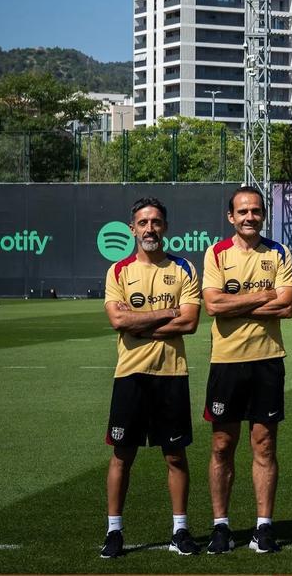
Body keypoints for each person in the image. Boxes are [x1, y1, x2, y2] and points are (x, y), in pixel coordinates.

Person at [100, 198, 202, 558]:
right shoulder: (118, 271)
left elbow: (189, 322)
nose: (149, 229)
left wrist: (140, 324)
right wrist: (167, 312)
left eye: (156, 222)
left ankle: (180, 531)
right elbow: (118, 320)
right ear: (132, 229)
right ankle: (114, 531)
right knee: (122, 456)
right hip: (130, 374)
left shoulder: (184, 268)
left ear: (165, 227)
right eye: (143, 223)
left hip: (171, 374)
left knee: (175, 456)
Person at [201, 186, 292, 554]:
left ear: (263, 215)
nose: (249, 217)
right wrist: (263, 295)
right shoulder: (217, 253)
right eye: (242, 212)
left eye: (255, 211)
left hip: (267, 360)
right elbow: (213, 305)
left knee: (265, 445)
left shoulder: (279, 252)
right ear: (231, 217)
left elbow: (287, 306)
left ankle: (263, 526)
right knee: (222, 445)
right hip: (226, 361)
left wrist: (235, 303)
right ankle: (221, 526)